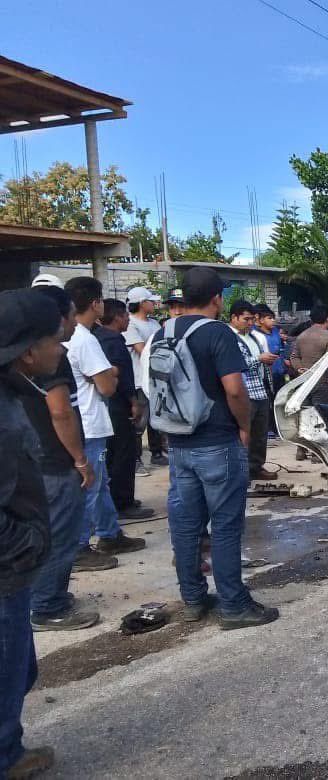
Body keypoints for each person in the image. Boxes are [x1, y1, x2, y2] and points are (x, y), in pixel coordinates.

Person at [164, 267, 279, 629]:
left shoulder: (164, 333)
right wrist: (244, 427)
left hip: (178, 443)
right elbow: (233, 389)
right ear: (217, 298)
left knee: (186, 526)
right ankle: (234, 604)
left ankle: (194, 598)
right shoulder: (218, 333)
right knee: (226, 525)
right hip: (216, 442)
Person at [0, 289, 65, 779]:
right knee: (8, 672)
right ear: (27, 350)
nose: (62, 350)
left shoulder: (13, 390)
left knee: (20, 670)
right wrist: (28, 546)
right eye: (54, 340)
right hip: (6, 570)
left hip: (14, 570)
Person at [17, 285, 102, 631]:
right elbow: (60, 412)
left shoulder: (21, 353)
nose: (73, 322)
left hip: (33, 458)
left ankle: (48, 596)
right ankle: (48, 606)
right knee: (60, 535)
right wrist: (80, 460)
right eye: (69, 315)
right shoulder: (51, 355)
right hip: (55, 461)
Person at [64, 277, 146, 566]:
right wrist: (110, 371)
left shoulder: (76, 336)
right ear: (96, 303)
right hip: (88, 421)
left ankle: (109, 533)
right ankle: (79, 546)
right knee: (91, 483)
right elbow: (107, 386)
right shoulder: (84, 339)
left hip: (86, 420)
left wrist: (105, 372)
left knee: (98, 481)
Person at [94, 299, 154, 521]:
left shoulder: (99, 339)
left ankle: (119, 499)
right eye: (125, 315)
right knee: (124, 454)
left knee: (115, 454)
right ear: (118, 317)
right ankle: (123, 503)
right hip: (119, 405)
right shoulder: (112, 341)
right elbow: (120, 378)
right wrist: (133, 401)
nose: (128, 319)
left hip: (109, 405)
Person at [228, 301, 278, 481]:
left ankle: (256, 466)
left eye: (252, 320)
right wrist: (260, 358)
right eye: (246, 319)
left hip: (260, 390)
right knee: (243, 434)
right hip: (243, 392)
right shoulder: (228, 337)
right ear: (234, 318)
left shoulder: (255, 337)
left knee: (260, 432)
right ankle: (241, 471)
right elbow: (236, 364)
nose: (249, 323)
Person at [124, 286, 166, 467]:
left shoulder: (154, 323)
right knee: (139, 421)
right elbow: (142, 351)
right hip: (139, 379)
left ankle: (157, 453)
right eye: (150, 301)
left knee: (156, 418)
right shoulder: (130, 324)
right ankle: (136, 459)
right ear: (142, 303)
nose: (154, 303)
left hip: (154, 379)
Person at [290, 305, 328, 405]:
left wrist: (300, 369)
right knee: (319, 416)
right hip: (323, 383)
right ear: (327, 318)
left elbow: (294, 356)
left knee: (304, 414)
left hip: (303, 382)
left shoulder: (302, 336)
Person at [254, 304, 288, 432]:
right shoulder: (255, 333)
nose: (272, 321)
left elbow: (281, 348)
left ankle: (277, 428)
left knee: (279, 400)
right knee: (267, 401)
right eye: (269, 318)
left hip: (279, 370)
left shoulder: (276, 332)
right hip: (267, 373)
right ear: (261, 320)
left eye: (273, 318)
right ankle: (268, 428)